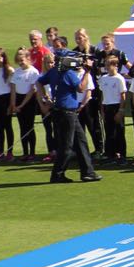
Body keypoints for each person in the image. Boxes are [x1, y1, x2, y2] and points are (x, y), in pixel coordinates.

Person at [39, 50, 100, 183]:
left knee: (81, 142)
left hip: (64, 112)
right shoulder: (68, 73)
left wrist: (46, 97)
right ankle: (57, 174)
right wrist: (87, 71)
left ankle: (88, 172)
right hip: (67, 113)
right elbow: (81, 88)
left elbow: (39, 82)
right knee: (67, 146)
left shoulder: (54, 71)